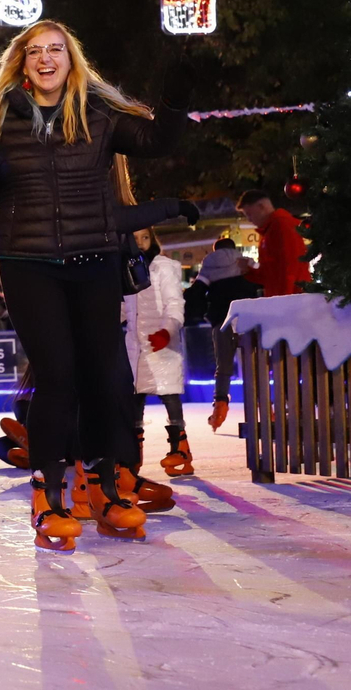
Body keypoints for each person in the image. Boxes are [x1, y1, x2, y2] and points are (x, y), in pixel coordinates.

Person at [0, 19, 189, 551]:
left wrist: (176, 99)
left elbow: (159, 140)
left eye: (56, 50)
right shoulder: (0, 123)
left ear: (71, 59)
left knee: (105, 378)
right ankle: (48, 494)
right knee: (58, 375)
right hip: (27, 261)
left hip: (94, 260)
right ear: (22, 62)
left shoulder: (99, 115)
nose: (46, 59)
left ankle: (105, 489)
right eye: (35, 51)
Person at [125, 229, 192, 477]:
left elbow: (175, 302)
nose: (141, 244)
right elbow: (124, 308)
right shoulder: (126, 270)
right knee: (134, 401)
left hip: (161, 343)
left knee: (170, 396)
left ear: (153, 239)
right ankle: (133, 455)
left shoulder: (165, 267)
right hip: (135, 345)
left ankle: (180, 449)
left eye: (145, 237)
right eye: (135, 238)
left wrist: (167, 330)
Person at [196, 237, 260, 432]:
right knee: (255, 366)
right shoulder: (246, 261)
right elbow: (261, 279)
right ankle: (267, 409)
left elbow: (197, 291)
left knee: (223, 366)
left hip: (221, 319)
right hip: (248, 317)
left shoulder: (207, 266)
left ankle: (219, 411)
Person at [236, 190, 310, 297]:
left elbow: (290, 266)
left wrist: (282, 301)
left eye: (249, 214)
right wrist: (248, 271)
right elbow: (269, 275)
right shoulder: (270, 230)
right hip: (286, 298)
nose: (249, 219)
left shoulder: (281, 226)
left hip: (291, 300)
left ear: (261, 207)